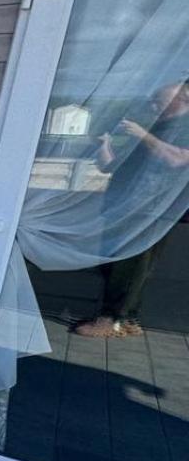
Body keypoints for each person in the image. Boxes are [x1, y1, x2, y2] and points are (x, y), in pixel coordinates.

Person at [74, 80, 189, 337]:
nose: (152, 105)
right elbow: (111, 166)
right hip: (125, 206)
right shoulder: (156, 127)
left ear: (179, 100)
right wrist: (102, 145)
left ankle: (109, 320)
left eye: (158, 100)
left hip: (151, 209)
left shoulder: (183, 127)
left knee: (128, 265)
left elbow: (178, 159)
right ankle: (127, 320)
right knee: (123, 263)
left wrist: (142, 134)